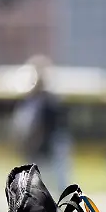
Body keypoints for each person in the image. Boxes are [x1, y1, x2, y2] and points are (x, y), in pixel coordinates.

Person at [12, 56, 67, 191]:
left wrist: (38, 141)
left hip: (49, 146)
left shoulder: (49, 102)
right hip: (35, 147)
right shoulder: (29, 101)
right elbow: (22, 126)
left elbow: (48, 126)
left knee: (55, 181)